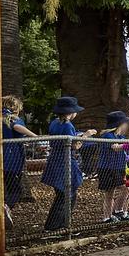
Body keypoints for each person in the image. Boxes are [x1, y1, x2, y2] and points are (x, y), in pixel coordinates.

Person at [41, 96, 95, 231]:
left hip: (54, 160)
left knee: (62, 194)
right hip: (65, 161)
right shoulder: (68, 125)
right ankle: (55, 226)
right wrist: (86, 135)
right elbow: (75, 145)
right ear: (71, 112)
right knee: (66, 194)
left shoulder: (54, 123)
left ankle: (60, 225)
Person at [2, 96, 37, 230]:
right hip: (11, 159)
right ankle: (6, 207)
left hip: (4, 158)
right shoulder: (12, 118)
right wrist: (34, 136)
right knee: (15, 189)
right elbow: (16, 127)